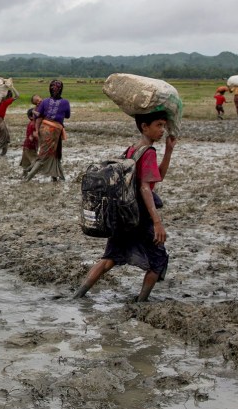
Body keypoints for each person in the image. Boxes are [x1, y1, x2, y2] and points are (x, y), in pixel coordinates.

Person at [74, 110, 177, 303]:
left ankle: (78, 295)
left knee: (109, 259)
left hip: (123, 214)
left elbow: (157, 177)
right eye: (158, 125)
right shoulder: (148, 152)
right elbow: (146, 188)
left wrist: (169, 151)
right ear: (144, 127)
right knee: (158, 260)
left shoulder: (131, 150)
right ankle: (141, 303)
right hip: (139, 216)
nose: (162, 130)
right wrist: (157, 222)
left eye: (164, 125)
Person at [23, 80, 71, 181]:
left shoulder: (45, 101)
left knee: (54, 153)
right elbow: (67, 116)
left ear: (50, 89)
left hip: (43, 129)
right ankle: (27, 177)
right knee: (43, 157)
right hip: (54, 132)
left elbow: (38, 115)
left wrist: (34, 113)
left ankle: (58, 177)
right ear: (61, 90)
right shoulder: (65, 102)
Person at [18, 93, 43, 174]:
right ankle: (27, 173)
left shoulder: (31, 123)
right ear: (31, 117)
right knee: (36, 162)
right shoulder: (33, 124)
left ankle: (24, 175)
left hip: (27, 146)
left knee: (26, 163)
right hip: (30, 147)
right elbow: (35, 135)